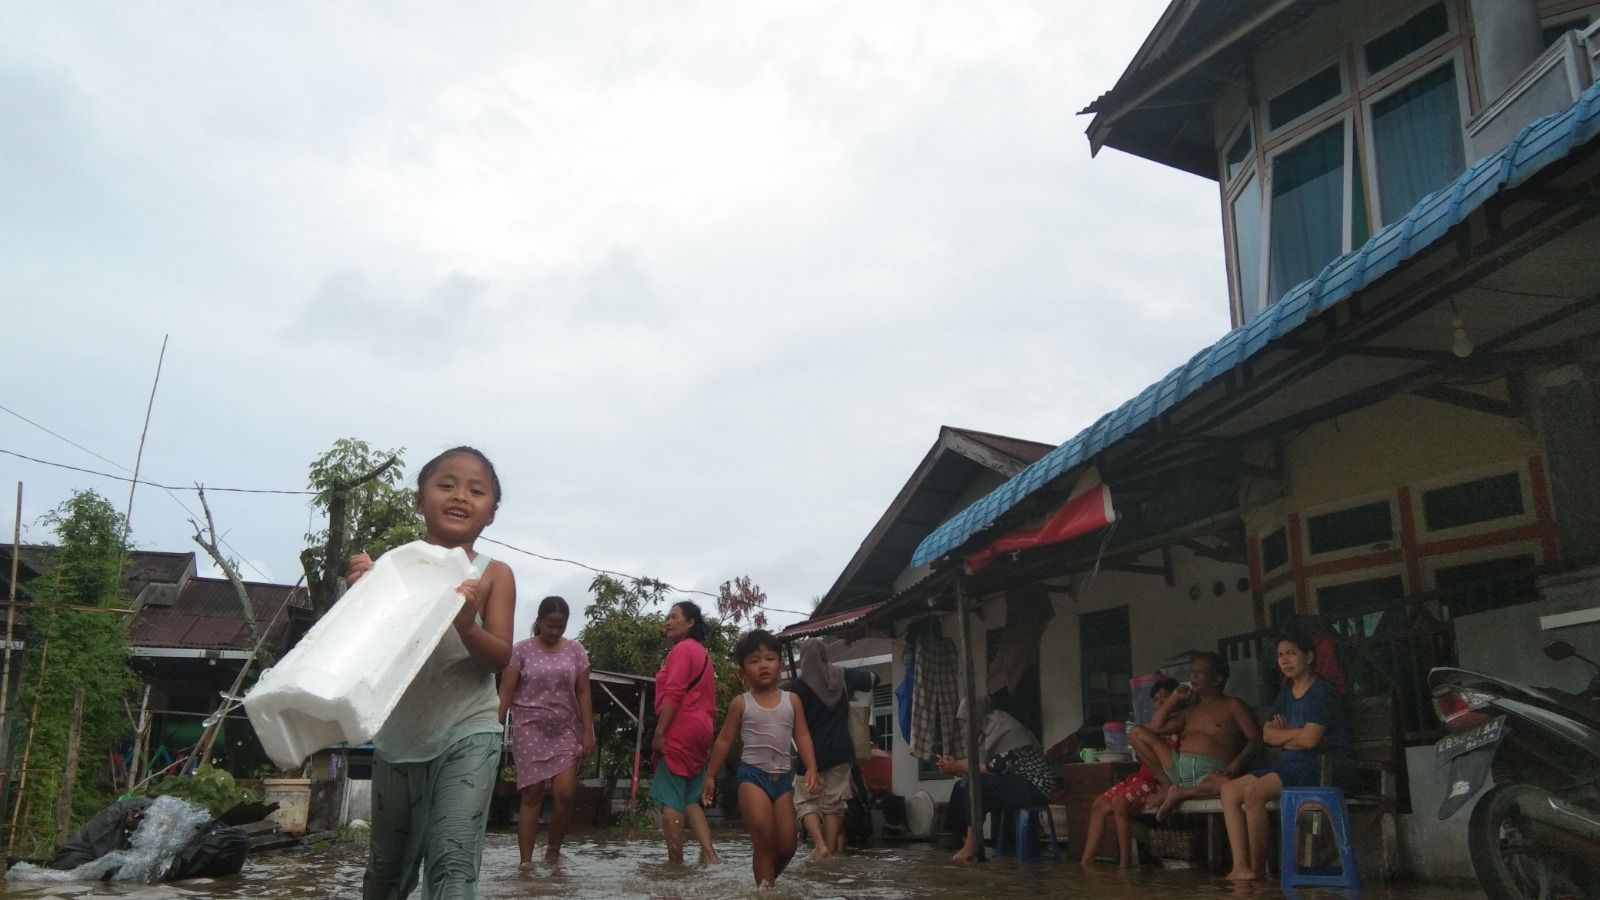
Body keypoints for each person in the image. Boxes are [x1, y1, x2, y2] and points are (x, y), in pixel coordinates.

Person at [347, 446, 516, 900]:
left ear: (491, 513)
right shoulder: (391, 570)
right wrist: (359, 600)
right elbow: (356, 652)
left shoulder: (493, 574)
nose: (460, 495)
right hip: (397, 739)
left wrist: (465, 624)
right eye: (446, 485)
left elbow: (500, 657)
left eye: (476, 490)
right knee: (385, 871)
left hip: (468, 732)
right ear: (420, 501)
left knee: (452, 863)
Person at [1220, 632, 1349, 881]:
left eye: (1291, 653)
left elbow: (1310, 742)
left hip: (1320, 768)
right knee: (1229, 791)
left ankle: (1257, 872)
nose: (1285, 660)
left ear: (1309, 657)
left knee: (1255, 793)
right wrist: (1299, 734)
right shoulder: (1286, 693)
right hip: (1290, 766)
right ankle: (1241, 866)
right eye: (1280, 655)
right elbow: (1267, 735)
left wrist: (1291, 736)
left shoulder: (1322, 692)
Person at [701, 630, 820, 887]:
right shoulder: (741, 703)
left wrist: (811, 767)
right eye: (754, 661)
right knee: (765, 839)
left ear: (781, 664)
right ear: (743, 672)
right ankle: (765, 890)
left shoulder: (793, 701)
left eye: (769, 658)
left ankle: (764, 885)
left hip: (783, 781)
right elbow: (723, 740)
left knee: (788, 845)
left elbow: (803, 736)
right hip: (752, 778)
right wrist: (710, 775)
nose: (763, 665)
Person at [498, 595, 596, 866]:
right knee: (532, 794)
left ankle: (553, 852)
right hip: (530, 729)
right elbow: (505, 693)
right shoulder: (520, 650)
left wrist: (589, 731)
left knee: (566, 794)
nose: (554, 631)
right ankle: (526, 863)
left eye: (560, 626)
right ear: (539, 622)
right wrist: (492, 726)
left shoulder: (576, 651)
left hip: (565, 729)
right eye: (550, 625)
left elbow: (584, 691)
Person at [1130, 651, 1261, 820]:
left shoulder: (1232, 705)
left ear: (1217, 679)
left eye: (1199, 672)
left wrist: (1235, 765)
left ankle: (1181, 793)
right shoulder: (1188, 712)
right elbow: (1156, 726)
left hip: (1210, 774)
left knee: (1225, 784)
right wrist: (1174, 698)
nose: (1193, 676)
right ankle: (1168, 786)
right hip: (1177, 769)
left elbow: (1256, 739)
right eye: (1192, 671)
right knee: (1137, 733)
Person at [937, 695, 1059, 862]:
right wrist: (954, 769)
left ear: (978, 716)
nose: (966, 726)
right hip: (1013, 781)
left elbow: (994, 767)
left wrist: (958, 767)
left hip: (1034, 784)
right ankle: (965, 842)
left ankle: (971, 846)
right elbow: (980, 769)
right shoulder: (985, 734)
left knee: (977, 785)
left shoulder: (1004, 727)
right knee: (961, 787)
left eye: (968, 720)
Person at [1080, 676, 1181, 868]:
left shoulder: (1179, 722)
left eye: (1165, 697)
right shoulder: (1152, 724)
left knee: (1120, 803)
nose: (1160, 701)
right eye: (1156, 699)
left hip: (1155, 782)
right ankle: (1086, 862)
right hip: (1140, 778)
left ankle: (1125, 863)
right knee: (1099, 804)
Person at [789, 638, 875, 860]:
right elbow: (875, 679)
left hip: (810, 755)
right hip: (840, 750)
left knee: (805, 800)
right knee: (834, 804)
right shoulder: (843, 676)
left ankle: (819, 846)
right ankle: (832, 849)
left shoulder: (798, 686)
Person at [651, 600, 719, 865]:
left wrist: (660, 733)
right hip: (701, 730)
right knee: (691, 799)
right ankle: (710, 854)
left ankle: (675, 862)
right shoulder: (703, 654)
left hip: (679, 729)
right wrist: (708, 742)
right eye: (667, 617)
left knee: (670, 797)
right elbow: (711, 704)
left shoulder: (682, 650)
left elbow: (674, 692)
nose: (668, 621)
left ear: (690, 623)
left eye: (674, 616)